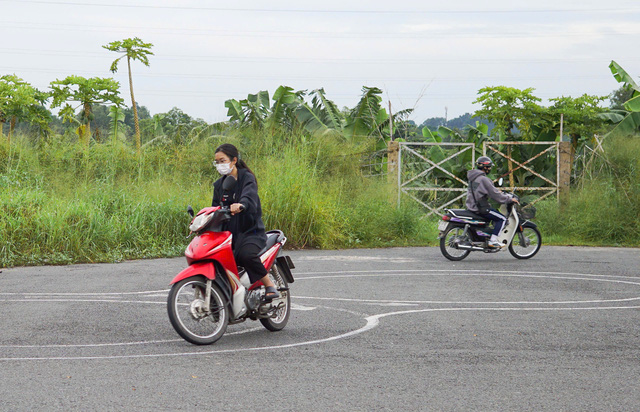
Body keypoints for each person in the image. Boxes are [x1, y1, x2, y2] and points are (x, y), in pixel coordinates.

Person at [211, 143, 279, 300]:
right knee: (216, 258)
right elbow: (215, 207)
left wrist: (241, 205)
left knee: (245, 255)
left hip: (250, 232)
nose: (220, 165)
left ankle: (269, 285)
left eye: (223, 161)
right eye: (217, 162)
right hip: (230, 233)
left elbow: (249, 197)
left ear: (234, 160)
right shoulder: (219, 185)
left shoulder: (247, 178)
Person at [466, 156, 519, 248]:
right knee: (502, 219)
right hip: (481, 208)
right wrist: (509, 199)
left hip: (471, 205)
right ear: (485, 167)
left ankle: (486, 236)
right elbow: (496, 196)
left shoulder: (473, 178)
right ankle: (493, 241)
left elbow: (482, 190)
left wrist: (497, 192)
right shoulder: (484, 179)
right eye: (489, 167)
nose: (490, 169)